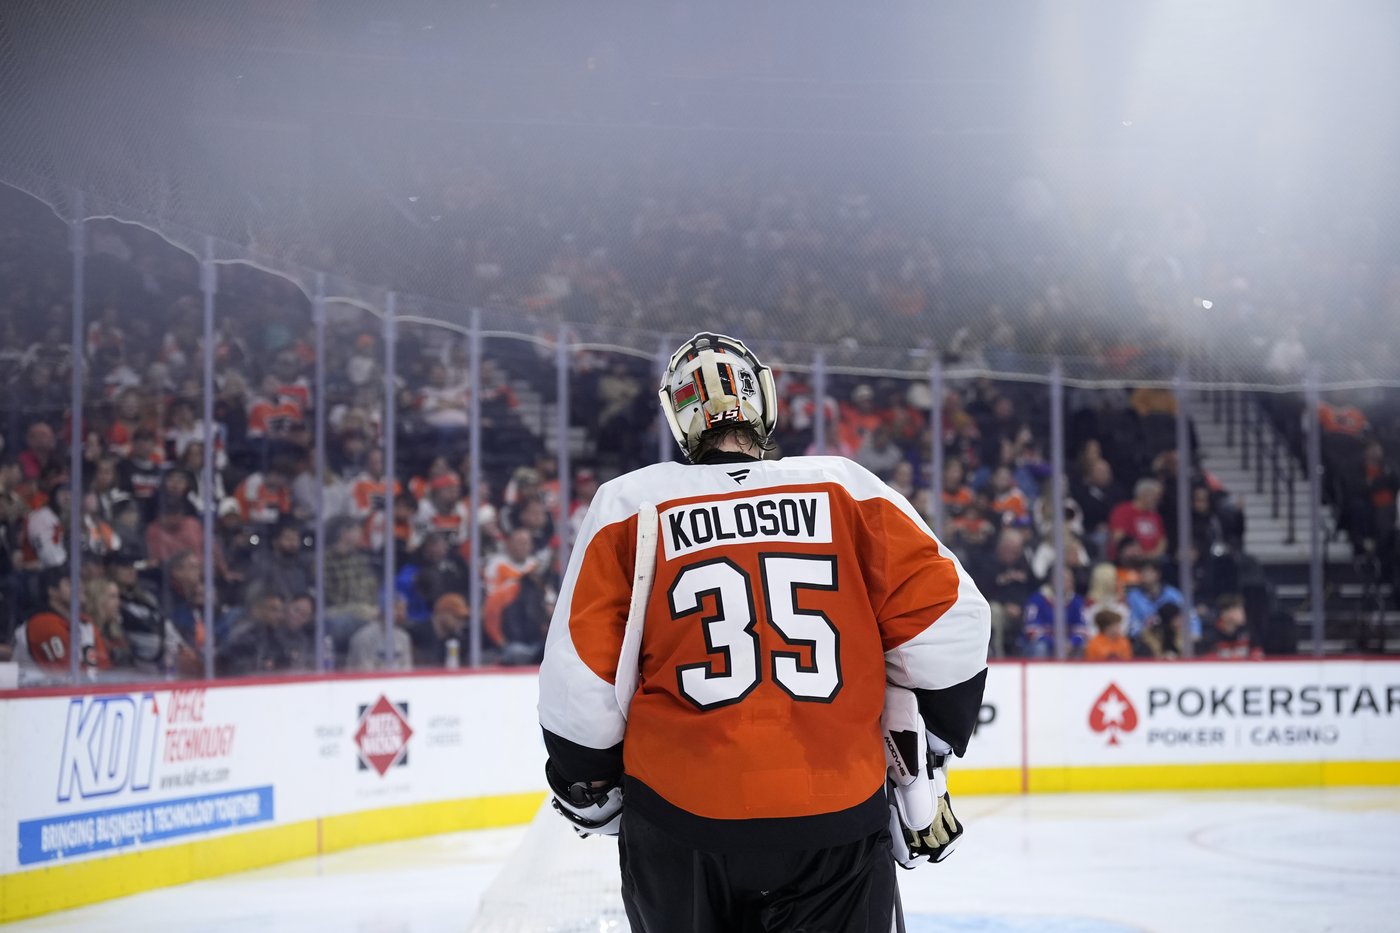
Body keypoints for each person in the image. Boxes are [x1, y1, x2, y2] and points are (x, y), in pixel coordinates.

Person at [537, 333, 990, 932]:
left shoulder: (628, 505)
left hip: (678, 819)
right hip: (834, 818)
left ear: (678, 415)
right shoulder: (845, 487)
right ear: (764, 402)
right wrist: (925, 756)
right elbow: (950, 624)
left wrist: (584, 777)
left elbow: (582, 682)